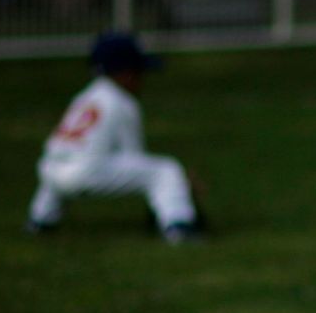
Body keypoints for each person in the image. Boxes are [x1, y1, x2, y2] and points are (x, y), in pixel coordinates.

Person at [26, 32, 203, 242]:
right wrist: (182, 184)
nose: (141, 80)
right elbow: (135, 158)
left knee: (63, 161)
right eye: (138, 73)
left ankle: (39, 220)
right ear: (126, 74)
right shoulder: (122, 101)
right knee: (165, 170)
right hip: (85, 174)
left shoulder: (85, 97)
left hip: (50, 172)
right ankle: (179, 226)